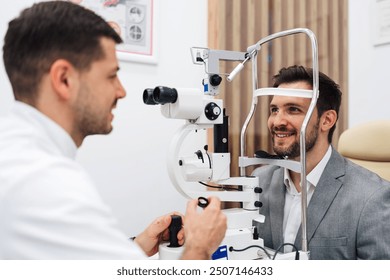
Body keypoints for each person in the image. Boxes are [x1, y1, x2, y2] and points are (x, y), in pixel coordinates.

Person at [0, 1, 226, 260]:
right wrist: (200, 245)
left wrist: (133, 250)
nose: (121, 91)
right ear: (64, 79)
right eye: (111, 76)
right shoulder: (45, 184)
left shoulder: (15, 153)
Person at [252, 65, 390, 259]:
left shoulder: (372, 197)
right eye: (274, 110)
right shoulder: (259, 181)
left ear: (327, 120)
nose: (277, 121)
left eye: (293, 109)